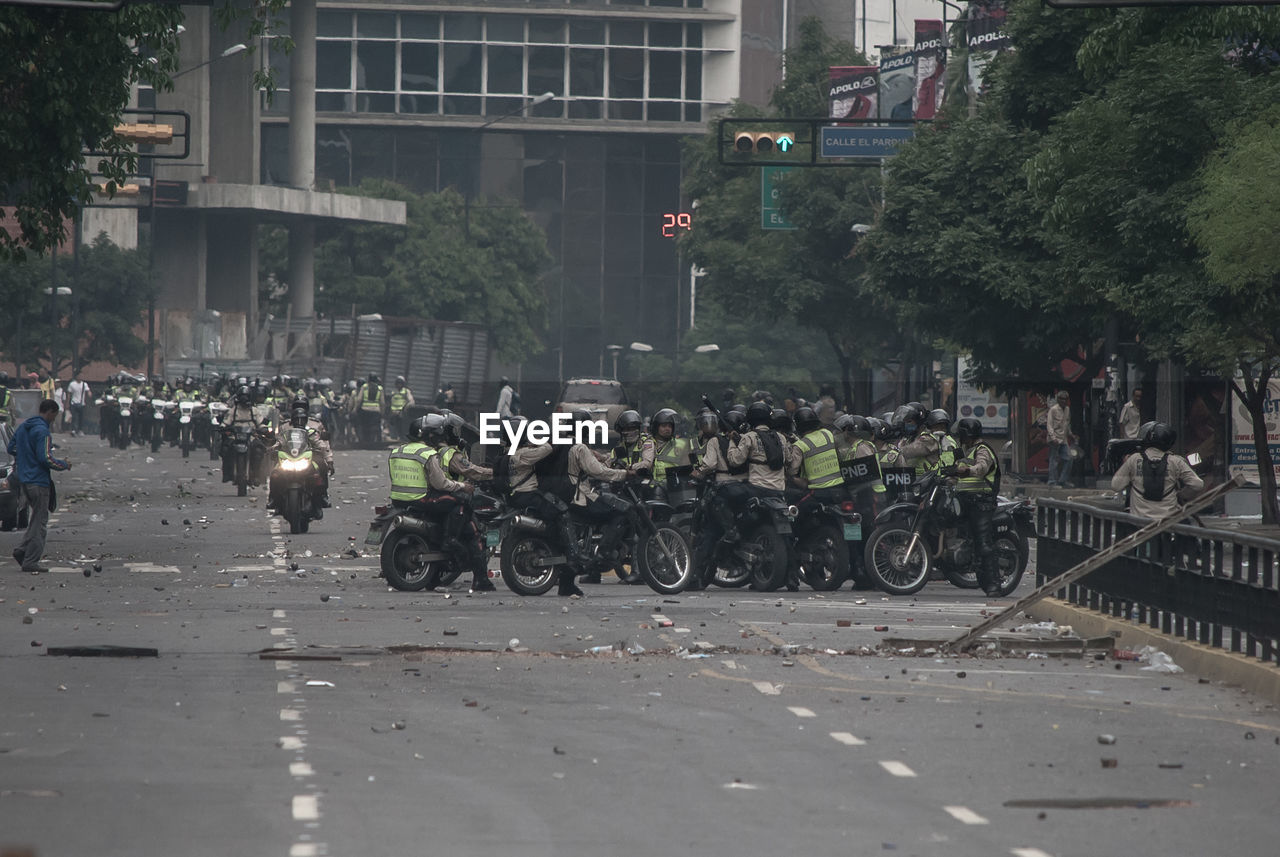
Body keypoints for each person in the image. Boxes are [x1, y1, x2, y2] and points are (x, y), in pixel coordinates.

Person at [388, 414, 492, 592]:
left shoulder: (397, 451)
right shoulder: (430, 454)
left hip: (398, 499)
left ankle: (437, 567)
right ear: (431, 435)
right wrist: (463, 486)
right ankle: (472, 567)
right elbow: (441, 483)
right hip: (422, 499)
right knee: (466, 511)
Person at [7, 399, 70, 573]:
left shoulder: (24, 427)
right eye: (54, 416)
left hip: (24, 480)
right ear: (50, 412)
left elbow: (11, 447)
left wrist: (26, 457)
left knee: (35, 520)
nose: (53, 420)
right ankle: (31, 560)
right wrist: (64, 465)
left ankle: (21, 551)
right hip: (38, 481)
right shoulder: (43, 432)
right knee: (40, 522)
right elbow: (46, 458)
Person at [951, 417, 1003, 596]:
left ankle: (995, 585)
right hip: (966, 502)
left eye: (962, 435)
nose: (960, 439)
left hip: (982, 503)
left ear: (968, 434)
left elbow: (981, 468)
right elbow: (956, 474)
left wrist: (966, 471)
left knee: (984, 544)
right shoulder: (966, 451)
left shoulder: (983, 450)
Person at [1110, 421, 1203, 519]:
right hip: (1167, 521)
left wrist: (1127, 466)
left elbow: (1116, 486)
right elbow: (1197, 484)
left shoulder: (1134, 459)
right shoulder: (1176, 461)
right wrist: (1181, 495)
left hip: (1139, 520)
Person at [1046, 390, 1075, 487]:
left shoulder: (1067, 409)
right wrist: (1053, 437)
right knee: (1054, 460)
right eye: (1061, 399)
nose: (1063, 401)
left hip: (1063, 439)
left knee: (1069, 458)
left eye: (1065, 399)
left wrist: (1071, 434)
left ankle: (1063, 480)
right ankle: (1052, 481)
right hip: (1054, 438)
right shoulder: (1053, 409)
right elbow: (1049, 425)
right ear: (1058, 399)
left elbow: (1067, 424)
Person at [356, 373, 384, 446]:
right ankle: (374, 442)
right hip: (376, 411)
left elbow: (359, 399)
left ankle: (365, 441)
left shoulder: (364, 387)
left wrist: (356, 409)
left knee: (364, 426)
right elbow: (382, 402)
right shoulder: (380, 388)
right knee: (374, 427)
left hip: (365, 410)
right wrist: (382, 412)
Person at [387, 376, 414, 440]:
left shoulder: (406, 391)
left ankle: (401, 439)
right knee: (392, 428)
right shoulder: (393, 392)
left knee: (400, 428)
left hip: (401, 413)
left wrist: (404, 409)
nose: (399, 384)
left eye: (400, 383)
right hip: (393, 412)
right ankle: (394, 439)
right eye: (397, 383)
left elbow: (411, 401)